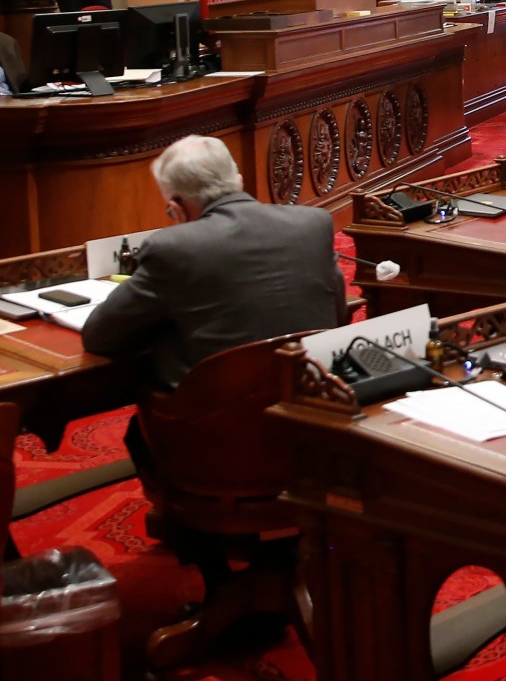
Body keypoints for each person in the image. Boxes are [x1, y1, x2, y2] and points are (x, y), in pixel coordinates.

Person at [82, 137, 347, 470]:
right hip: (311, 418)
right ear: (238, 180)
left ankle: (185, 518)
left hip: (219, 442)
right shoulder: (312, 223)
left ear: (176, 207)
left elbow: (99, 335)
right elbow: (339, 315)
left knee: (140, 429)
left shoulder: (173, 247)